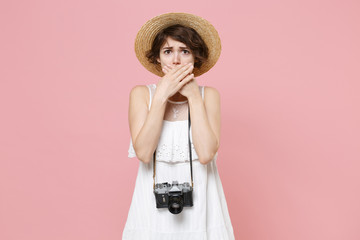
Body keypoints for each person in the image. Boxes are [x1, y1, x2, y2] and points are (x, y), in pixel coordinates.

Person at [122, 12, 235, 239]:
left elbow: (205, 155)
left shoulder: (209, 95)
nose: (176, 60)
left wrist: (193, 97)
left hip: (203, 205)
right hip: (152, 209)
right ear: (157, 59)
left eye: (184, 51)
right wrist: (162, 96)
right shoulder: (141, 94)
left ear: (195, 58)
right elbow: (144, 153)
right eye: (167, 51)